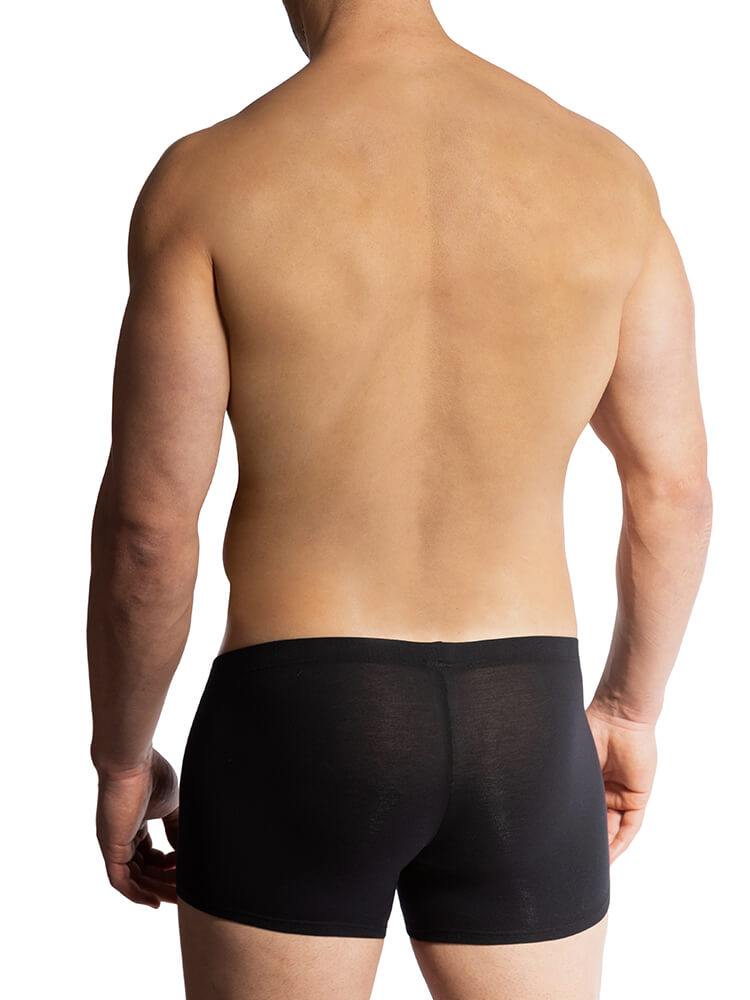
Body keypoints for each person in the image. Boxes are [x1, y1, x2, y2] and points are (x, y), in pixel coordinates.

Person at [86, 1, 712, 997]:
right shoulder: (606, 176)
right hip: (527, 722)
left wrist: (124, 759)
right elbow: (673, 491)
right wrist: (630, 709)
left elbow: (149, 534)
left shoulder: (208, 180)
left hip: (297, 717)